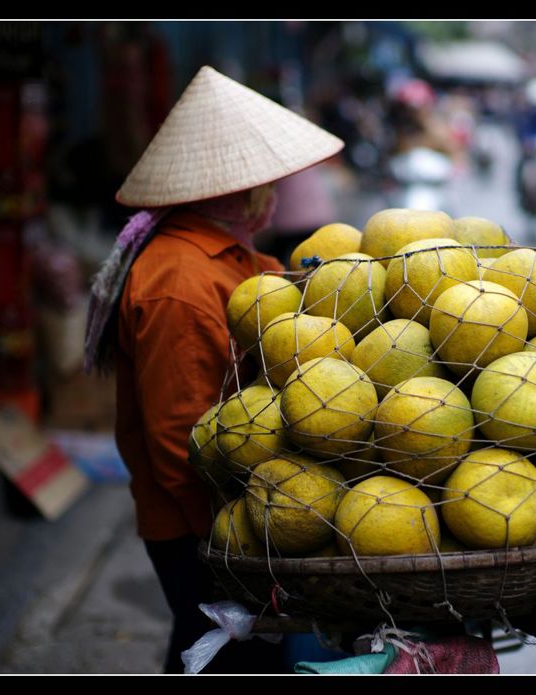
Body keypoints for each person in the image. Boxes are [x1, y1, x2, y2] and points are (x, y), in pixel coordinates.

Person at [83, 66, 344, 674]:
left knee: (212, 654)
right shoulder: (179, 279)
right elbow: (181, 437)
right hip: (201, 527)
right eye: (265, 182)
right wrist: (232, 539)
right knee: (229, 657)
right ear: (234, 192)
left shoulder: (239, 259)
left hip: (241, 510)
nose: (277, 193)